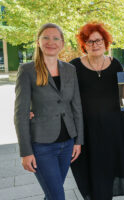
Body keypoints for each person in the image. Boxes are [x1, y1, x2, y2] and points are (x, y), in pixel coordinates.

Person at [69, 22, 124, 200]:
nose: (95, 45)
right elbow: (64, 95)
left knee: (108, 171)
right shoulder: (74, 66)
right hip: (88, 130)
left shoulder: (115, 64)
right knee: (93, 175)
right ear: (84, 44)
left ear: (105, 42)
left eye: (98, 40)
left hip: (114, 127)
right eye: (90, 41)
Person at [14, 23, 84, 200]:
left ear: (62, 43)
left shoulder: (70, 69)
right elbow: (20, 113)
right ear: (38, 41)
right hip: (41, 145)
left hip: (67, 143)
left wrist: (78, 141)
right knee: (57, 196)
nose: (50, 42)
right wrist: (25, 151)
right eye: (46, 37)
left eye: (55, 38)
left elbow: (76, 107)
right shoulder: (27, 70)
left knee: (52, 193)